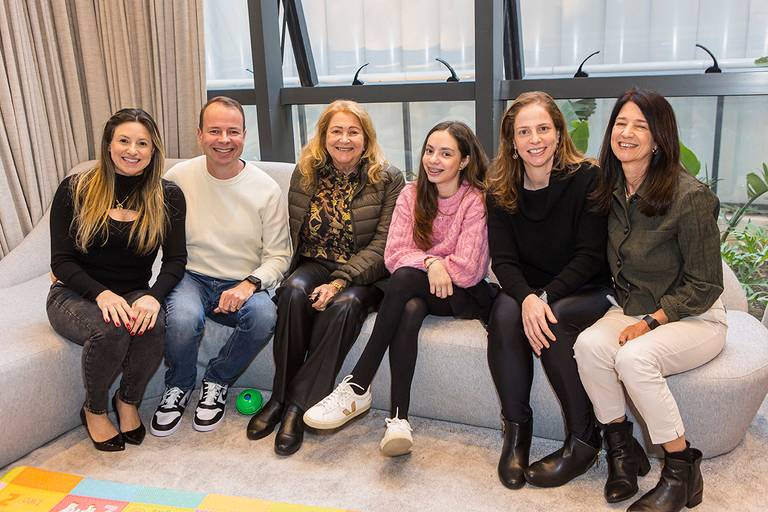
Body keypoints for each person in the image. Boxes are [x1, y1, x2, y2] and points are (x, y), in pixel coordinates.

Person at [573, 88, 727, 512]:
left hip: (695, 316)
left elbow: (706, 285)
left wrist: (651, 322)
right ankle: (623, 452)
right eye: (620, 123)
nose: (626, 133)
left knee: (634, 359)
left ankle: (682, 471)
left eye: (640, 126)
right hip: (632, 307)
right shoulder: (610, 189)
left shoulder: (689, 197)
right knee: (588, 346)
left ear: (659, 138)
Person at [302, 121, 495, 457]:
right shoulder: (411, 193)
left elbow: (468, 270)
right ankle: (398, 419)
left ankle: (359, 382)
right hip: (421, 289)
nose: (433, 160)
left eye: (446, 154)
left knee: (405, 278)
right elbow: (394, 254)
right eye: (429, 151)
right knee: (410, 305)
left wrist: (430, 264)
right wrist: (432, 263)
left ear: (464, 161)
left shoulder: (474, 200)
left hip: (463, 294)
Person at [246, 99, 404, 456]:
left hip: (366, 274)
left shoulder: (387, 178)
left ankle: (297, 407)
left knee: (344, 306)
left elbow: (383, 245)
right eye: (337, 131)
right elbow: (294, 235)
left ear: (366, 138)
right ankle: (279, 396)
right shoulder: (306, 173)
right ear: (323, 136)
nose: (344, 139)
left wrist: (338, 282)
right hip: (315, 262)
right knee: (292, 292)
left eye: (353, 132)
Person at [484, 91, 613, 489]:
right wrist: (526, 298)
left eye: (543, 128)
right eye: (524, 132)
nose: (534, 139)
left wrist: (543, 299)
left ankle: (584, 439)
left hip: (586, 287)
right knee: (503, 314)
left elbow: (590, 256)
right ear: (512, 140)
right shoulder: (500, 187)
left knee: (552, 320)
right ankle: (516, 432)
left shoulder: (587, 178)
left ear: (559, 133)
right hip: (531, 288)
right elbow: (503, 261)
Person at [150, 97, 291, 436]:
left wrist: (249, 284)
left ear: (244, 135)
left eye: (233, 131)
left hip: (242, 280)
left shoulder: (266, 189)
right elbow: (149, 228)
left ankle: (217, 380)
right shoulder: (178, 178)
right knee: (182, 319)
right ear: (199, 135)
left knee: (264, 317)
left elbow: (279, 256)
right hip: (191, 277)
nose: (224, 140)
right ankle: (179, 385)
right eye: (214, 131)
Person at [47, 108, 186, 451]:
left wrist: (153, 296)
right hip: (75, 293)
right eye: (124, 140)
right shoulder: (75, 188)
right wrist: (102, 294)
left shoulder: (168, 196)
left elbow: (175, 260)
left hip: (134, 290)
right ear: (109, 144)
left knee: (153, 324)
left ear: (153, 150)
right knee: (111, 329)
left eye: (143, 143)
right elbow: (61, 261)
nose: (132, 150)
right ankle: (94, 410)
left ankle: (127, 401)